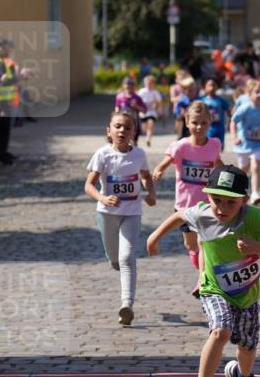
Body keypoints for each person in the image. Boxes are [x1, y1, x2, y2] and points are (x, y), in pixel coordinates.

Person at [146, 165, 260, 377]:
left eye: (230, 203)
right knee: (221, 330)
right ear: (207, 197)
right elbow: (180, 215)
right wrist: (154, 237)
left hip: (246, 295)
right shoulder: (203, 214)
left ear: (244, 201)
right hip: (213, 288)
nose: (222, 208)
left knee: (247, 348)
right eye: (216, 200)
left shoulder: (254, 217)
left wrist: (255, 246)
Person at [85, 110, 156, 327]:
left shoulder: (139, 154)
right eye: (117, 126)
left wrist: (150, 192)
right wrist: (103, 198)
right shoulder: (103, 155)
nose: (122, 130)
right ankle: (113, 259)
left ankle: (127, 305)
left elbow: (145, 176)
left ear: (134, 131)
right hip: (107, 214)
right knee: (115, 258)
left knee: (127, 258)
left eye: (127, 127)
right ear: (109, 131)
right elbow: (88, 185)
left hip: (132, 212)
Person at [151, 100, 223, 295]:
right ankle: (201, 265)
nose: (199, 127)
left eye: (203, 123)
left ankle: (203, 280)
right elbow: (164, 163)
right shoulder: (181, 147)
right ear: (187, 122)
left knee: (204, 242)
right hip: (184, 206)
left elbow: (218, 164)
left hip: (208, 205)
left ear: (209, 122)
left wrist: (227, 177)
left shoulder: (214, 145)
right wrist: (158, 171)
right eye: (195, 123)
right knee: (191, 245)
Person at [231, 79, 260, 206]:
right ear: (249, 94)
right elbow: (233, 121)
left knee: (255, 166)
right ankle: (236, 188)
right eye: (256, 92)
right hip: (244, 144)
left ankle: (255, 193)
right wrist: (235, 137)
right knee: (242, 170)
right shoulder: (245, 108)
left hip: (258, 144)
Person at [0, 39, 20, 165]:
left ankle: (3, 152)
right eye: (3, 48)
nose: (6, 50)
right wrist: (18, 77)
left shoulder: (1, 61)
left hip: (3, 100)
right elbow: (2, 81)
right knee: (1, 128)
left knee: (4, 128)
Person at [115, 75, 147, 142]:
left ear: (134, 86)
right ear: (123, 85)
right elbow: (117, 108)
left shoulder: (137, 98)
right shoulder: (119, 97)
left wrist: (136, 107)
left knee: (134, 143)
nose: (129, 86)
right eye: (127, 83)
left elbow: (145, 110)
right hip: (123, 124)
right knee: (124, 142)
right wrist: (116, 114)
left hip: (134, 124)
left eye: (132, 84)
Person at [200, 77, 231, 146]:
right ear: (205, 87)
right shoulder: (202, 100)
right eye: (209, 85)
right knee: (208, 146)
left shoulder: (221, 100)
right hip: (208, 128)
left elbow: (229, 111)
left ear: (216, 87)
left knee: (219, 146)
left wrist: (230, 122)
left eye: (213, 85)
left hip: (220, 128)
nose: (212, 87)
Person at [139, 74, 161, 149]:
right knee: (144, 127)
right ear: (145, 83)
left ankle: (148, 139)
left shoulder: (155, 92)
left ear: (153, 84)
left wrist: (156, 106)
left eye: (151, 83)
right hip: (143, 112)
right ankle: (147, 134)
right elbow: (137, 100)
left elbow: (159, 101)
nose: (149, 85)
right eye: (147, 83)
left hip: (152, 112)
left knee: (150, 124)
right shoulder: (141, 91)